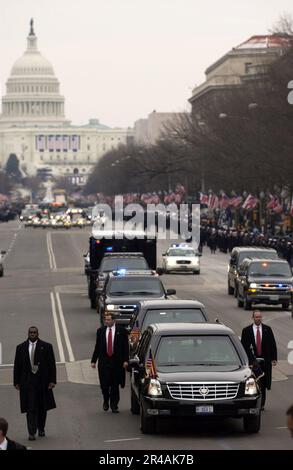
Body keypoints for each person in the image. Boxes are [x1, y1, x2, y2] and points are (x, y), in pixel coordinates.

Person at [13, 326, 57, 441]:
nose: (32, 334)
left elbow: (52, 364)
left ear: (38, 333)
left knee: (42, 407)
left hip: (42, 382)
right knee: (30, 408)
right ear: (28, 333)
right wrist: (16, 382)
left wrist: (52, 380)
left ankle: (41, 428)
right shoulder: (21, 347)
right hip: (27, 383)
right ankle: (31, 432)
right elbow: (17, 366)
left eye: (34, 332)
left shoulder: (46, 347)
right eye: (30, 332)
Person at [91, 313, 129, 413]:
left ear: (114, 321)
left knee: (115, 385)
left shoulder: (121, 331)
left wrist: (125, 360)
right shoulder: (101, 331)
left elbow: (125, 347)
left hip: (117, 363)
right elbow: (97, 347)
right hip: (104, 362)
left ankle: (114, 405)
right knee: (105, 385)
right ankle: (105, 401)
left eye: (108, 320)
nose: (106, 322)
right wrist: (93, 361)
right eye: (105, 320)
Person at [241, 311, 277, 410]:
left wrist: (274, 358)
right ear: (252, 318)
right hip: (253, 362)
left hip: (265, 361)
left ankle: (262, 404)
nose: (258, 318)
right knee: (254, 382)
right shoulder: (246, 330)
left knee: (263, 383)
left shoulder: (267, 329)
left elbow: (272, 344)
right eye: (256, 317)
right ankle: (252, 401)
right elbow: (243, 347)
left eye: (260, 317)